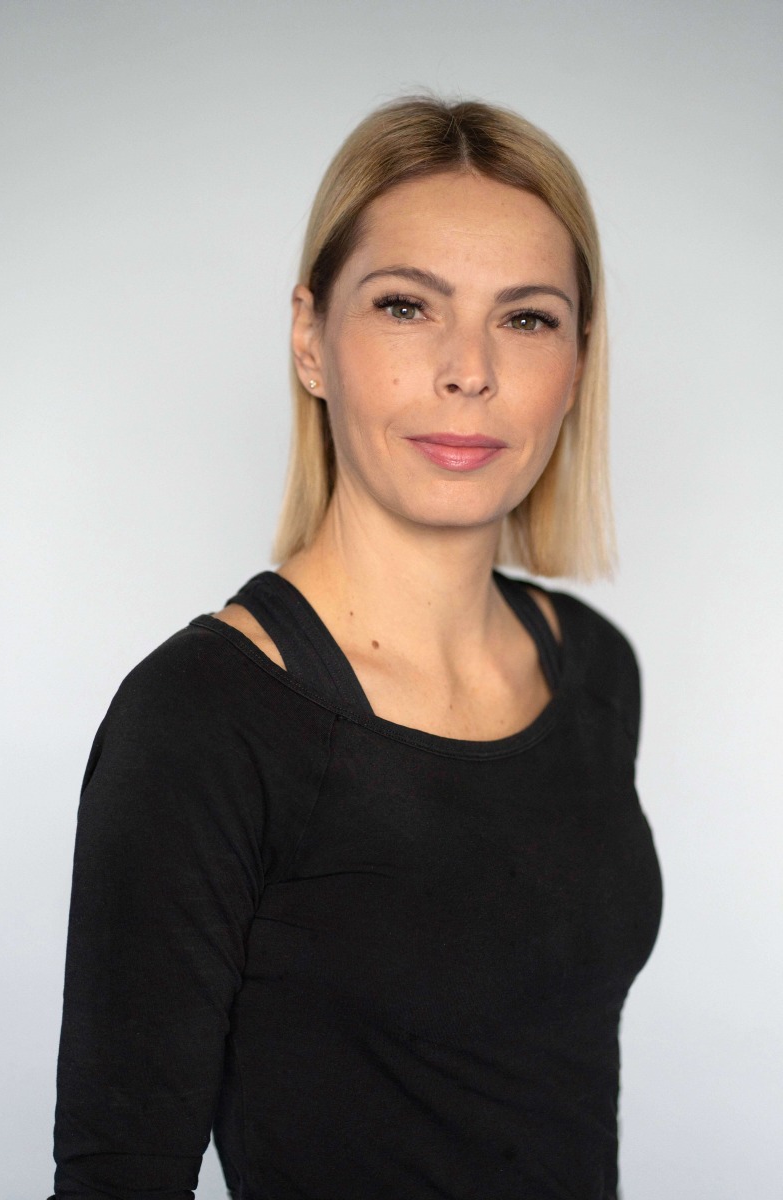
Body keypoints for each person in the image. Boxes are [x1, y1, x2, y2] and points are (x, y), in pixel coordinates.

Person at [49, 96, 662, 1200]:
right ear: (310, 339)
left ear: (576, 360)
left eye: (526, 319)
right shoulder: (203, 718)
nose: (467, 369)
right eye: (405, 307)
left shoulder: (592, 668)